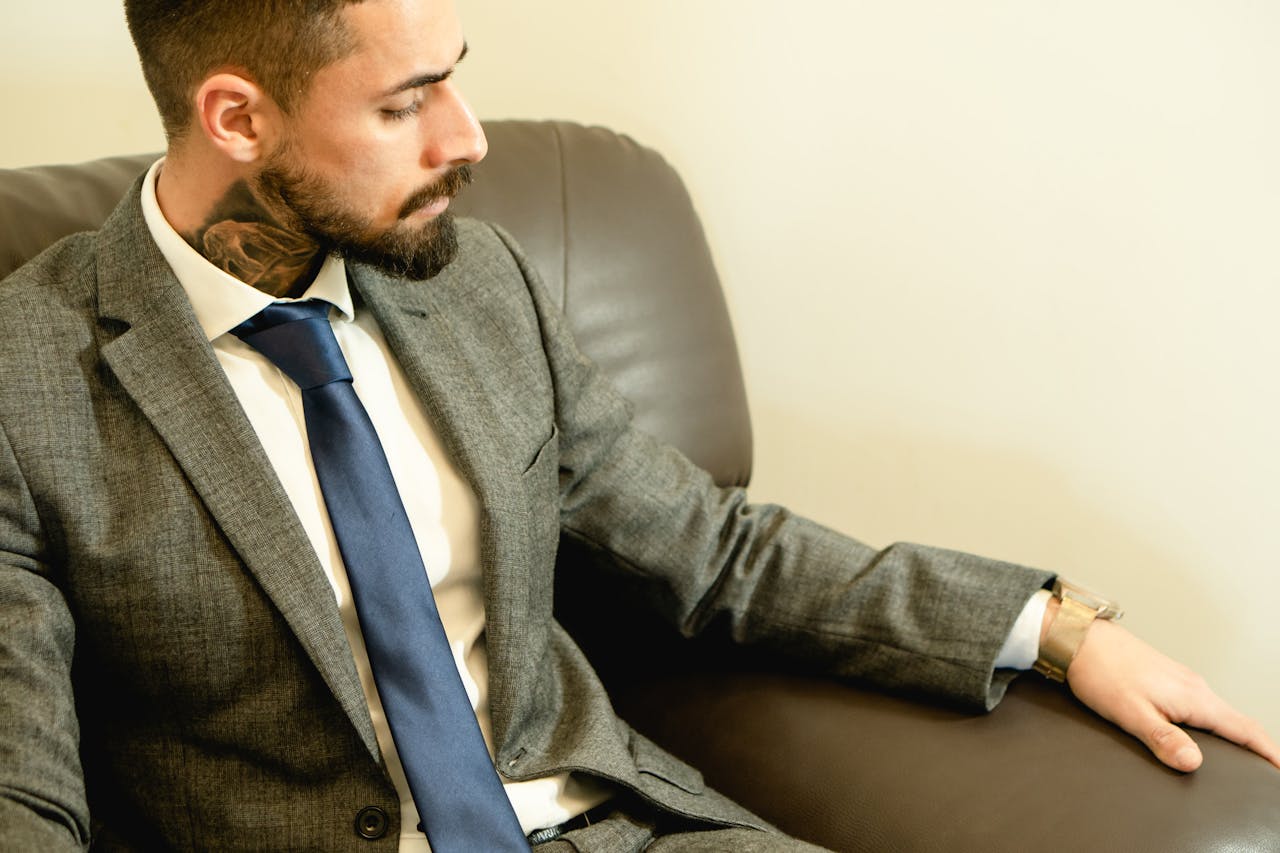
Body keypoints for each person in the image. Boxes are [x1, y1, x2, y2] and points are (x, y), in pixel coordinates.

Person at [0, 0, 1275, 850]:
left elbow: (710, 549)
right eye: (403, 104)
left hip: (602, 830)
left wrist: (1053, 628)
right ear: (236, 118)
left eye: (455, 78)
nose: (466, 137)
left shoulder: (474, 284)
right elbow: (22, 790)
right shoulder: (26, 382)